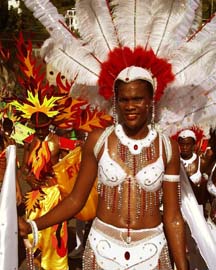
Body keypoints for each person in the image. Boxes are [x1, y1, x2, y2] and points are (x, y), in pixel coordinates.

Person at [19, 66, 188, 270]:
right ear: (116, 102)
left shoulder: (168, 147)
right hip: (103, 251)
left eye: (137, 99)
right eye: (123, 100)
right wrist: (34, 225)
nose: (130, 106)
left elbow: (173, 216)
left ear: (150, 101)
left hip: (152, 251)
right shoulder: (98, 140)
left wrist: (182, 265)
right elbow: (75, 199)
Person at [19, 111, 79, 270]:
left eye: (43, 127)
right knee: (32, 236)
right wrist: (28, 177)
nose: (40, 131)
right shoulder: (29, 142)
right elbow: (24, 167)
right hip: (34, 197)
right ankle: (37, 265)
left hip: (53, 196)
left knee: (53, 236)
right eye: (36, 128)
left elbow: (69, 166)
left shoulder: (59, 142)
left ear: (49, 124)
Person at [177, 129, 208, 270]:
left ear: (194, 145)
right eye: (182, 144)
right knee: (179, 246)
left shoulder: (202, 161)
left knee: (197, 245)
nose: (184, 147)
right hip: (179, 210)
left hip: (197, 210)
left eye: (188, 144)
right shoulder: (174, 161)